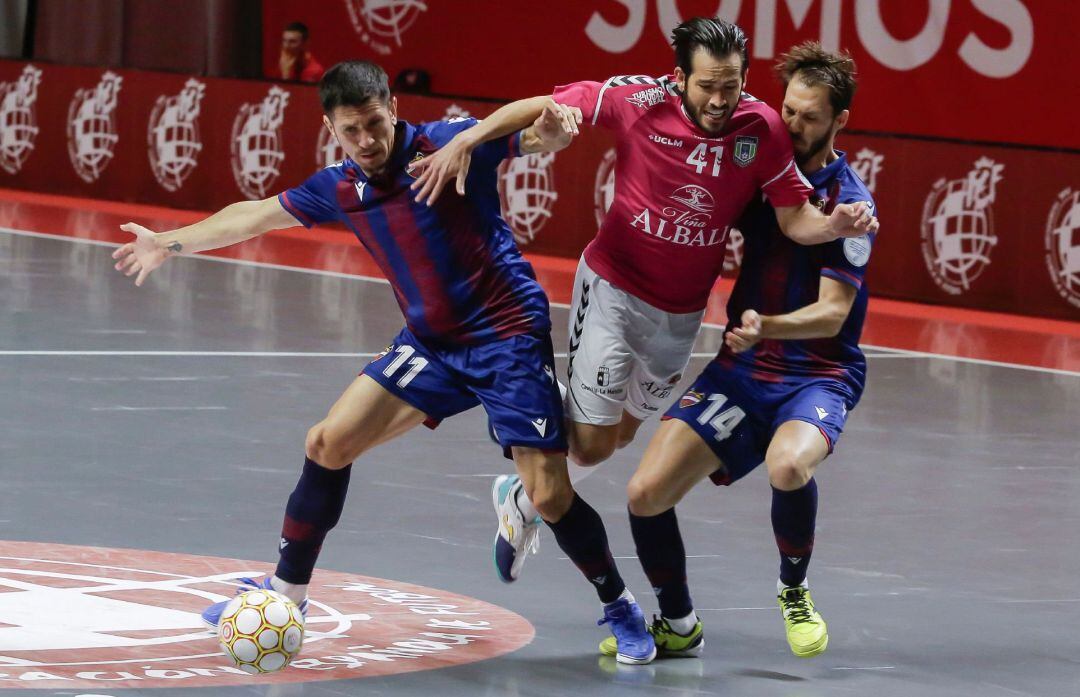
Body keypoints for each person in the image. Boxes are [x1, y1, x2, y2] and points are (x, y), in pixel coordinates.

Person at [111, 60, 657, 665]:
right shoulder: (341, 188)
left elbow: (532, 124)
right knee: (327, 443)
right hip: (431, 344)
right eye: (352, 131)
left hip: (506, 337)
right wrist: (169, 241)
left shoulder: (445, 146)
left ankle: (621, 606)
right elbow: (254, 214)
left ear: (392, 108)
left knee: (550, 497)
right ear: (331, 128)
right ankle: (288, 594)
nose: (367, 141)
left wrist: (545, 134)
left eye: (374, 123)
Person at [410, 17, 877, 581]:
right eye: (707, 85)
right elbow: (541, 103)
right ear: (681, 77)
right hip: (614, 288)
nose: (719, 98)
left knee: (614, 440)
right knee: (586, 441)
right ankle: (517, 394)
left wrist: (833, 228)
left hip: (681, 311)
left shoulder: (764, 127)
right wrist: (466, 137)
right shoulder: (638, 99)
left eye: (730, 85)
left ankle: (520, 495)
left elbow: (794, 218)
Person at [598, 41, 875, 660]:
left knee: (787, 465)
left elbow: (833, 315)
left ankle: (794, 590)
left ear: (839, 122)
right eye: (789, 110)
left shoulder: (850, 202)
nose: (794, 125)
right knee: (645, 494)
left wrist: (764, 328)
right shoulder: (761, 164)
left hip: (816, 374)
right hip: (744, 368)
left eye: (810, 117)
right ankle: (679, 621)